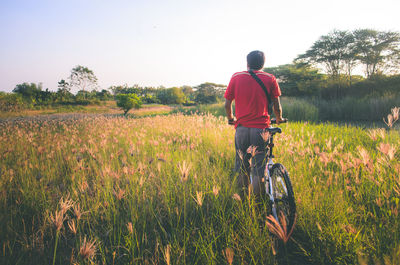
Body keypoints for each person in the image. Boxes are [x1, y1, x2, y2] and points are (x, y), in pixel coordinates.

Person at [224, 50, 284, 197]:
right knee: (258, 169)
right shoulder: (270, 78)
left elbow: (227, 104)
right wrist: (279, 118)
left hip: (242, 129)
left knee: (242, 167)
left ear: (247, 63)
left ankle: (244, 202)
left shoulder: (236, 77)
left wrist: (231, 118)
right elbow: (277, 106)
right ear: (263, 64)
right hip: (261, 130)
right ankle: (258, 206)